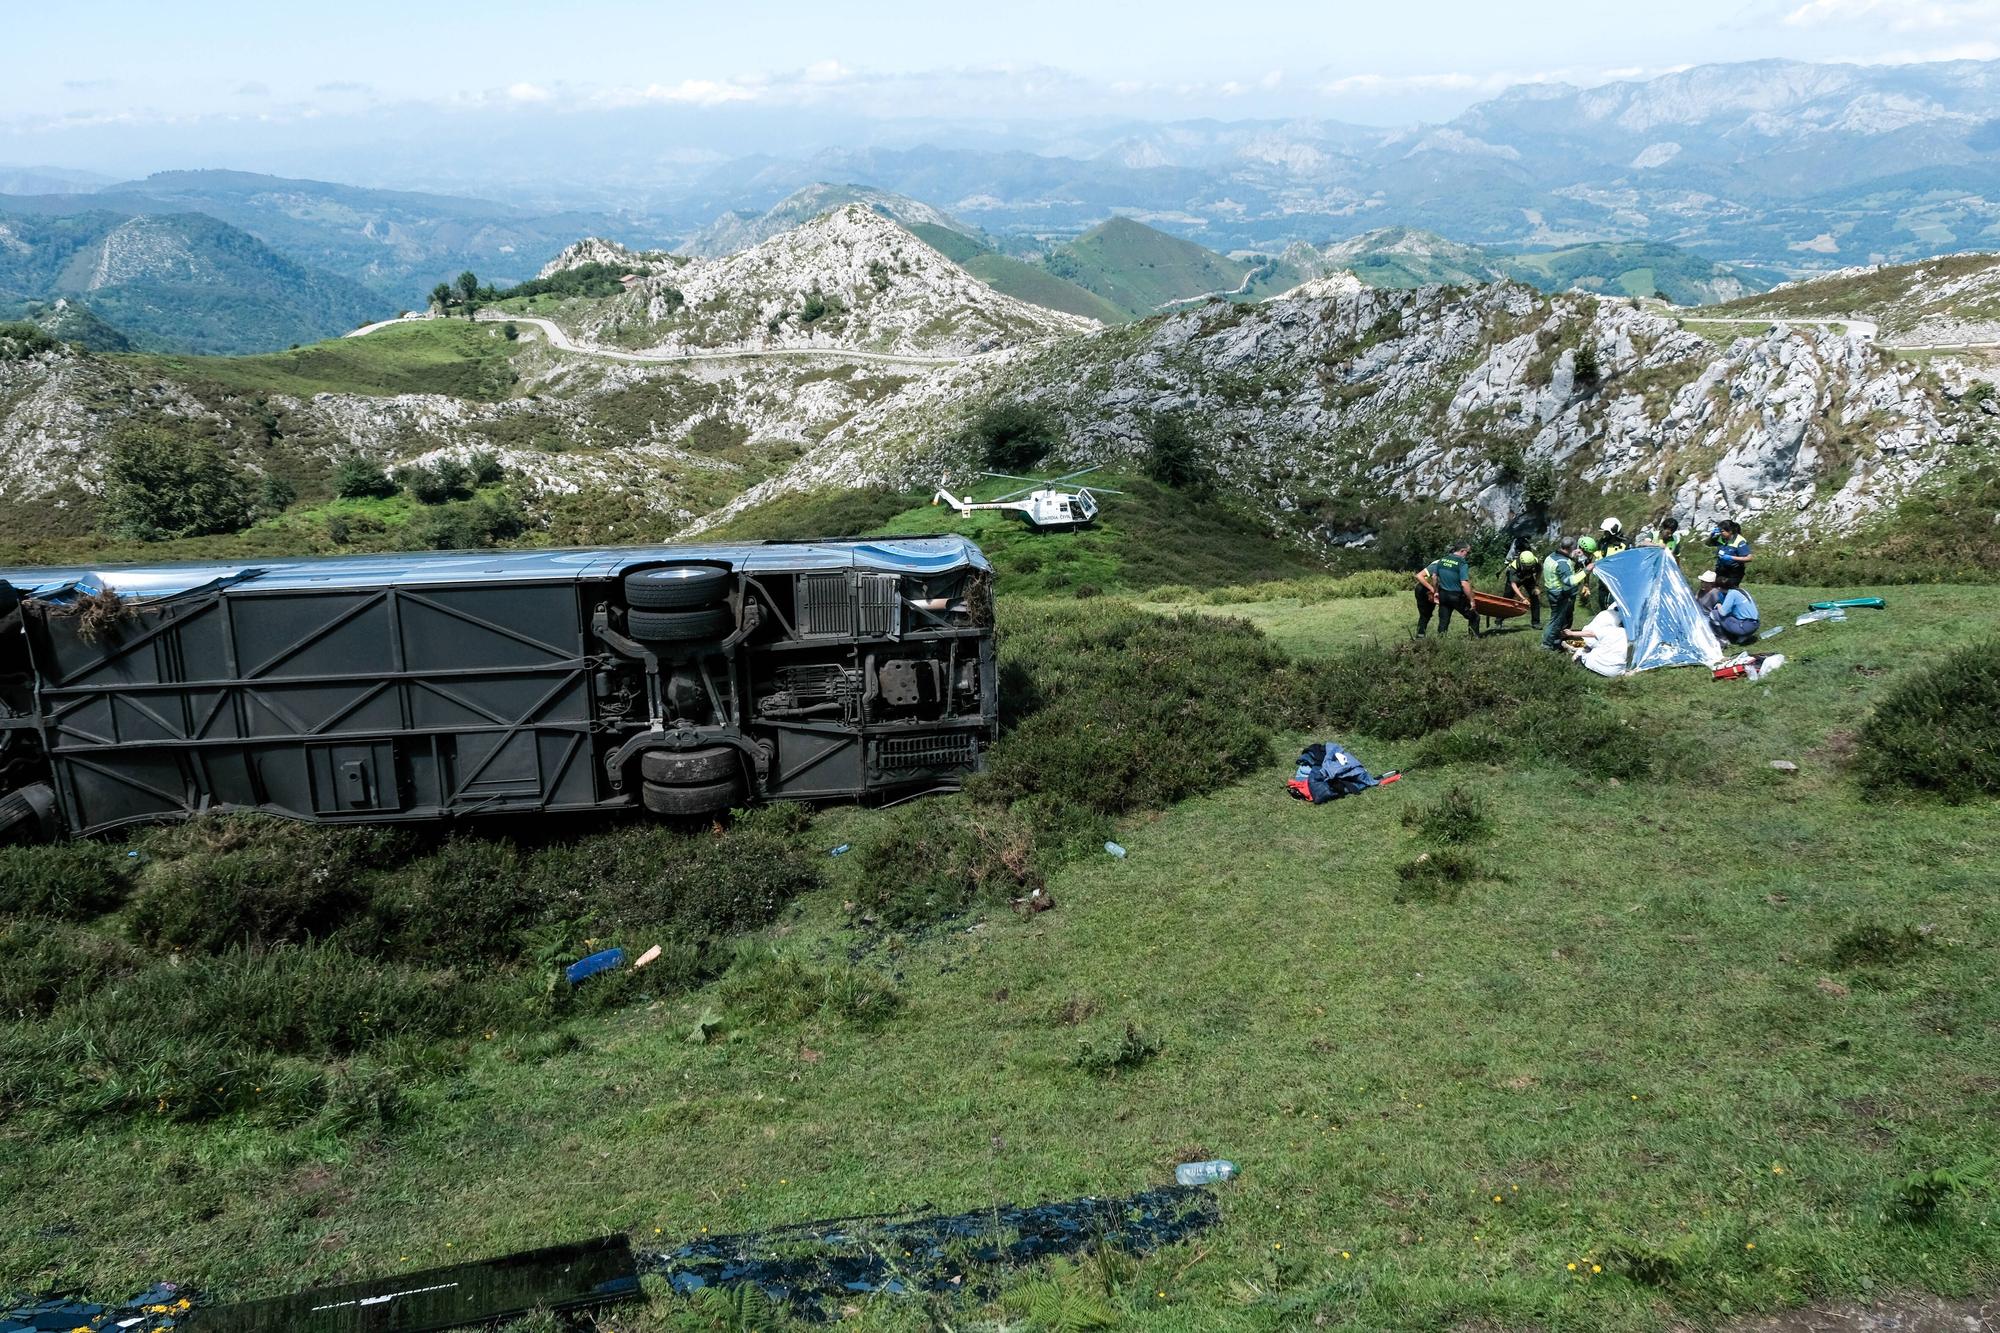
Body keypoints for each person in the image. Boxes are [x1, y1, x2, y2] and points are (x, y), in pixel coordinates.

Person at [1414, 541, 1481, 637]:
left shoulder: (1442, 561)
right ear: (1462, 551)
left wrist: (1436, 591)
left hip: (1443, 595)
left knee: (1443, 620)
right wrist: (1471, 600)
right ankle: (1474, 640)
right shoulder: (1461, 563)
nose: (1468, 555)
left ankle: (1440, 641)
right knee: (1474, 617)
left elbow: (1434, 577)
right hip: (1447, 594)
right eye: (1468, 552)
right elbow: (1464, 583)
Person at [1540, 538, 1587, 651]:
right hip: (1560, 594)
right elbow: (1569, 581)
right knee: (1556, 620)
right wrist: (1586, 571)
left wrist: (1575, 556)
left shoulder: (1551, 556)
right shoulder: (1562, 563)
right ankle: (1546, 645)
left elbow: (1566, 565)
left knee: (1560, 618)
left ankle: (1558, 641)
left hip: (1552, 591)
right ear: (1570, 548)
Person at [1560, 605, 1630, 677]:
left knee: (1590, 647)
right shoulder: (1629, 634)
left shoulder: (1606, 614)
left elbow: (1590, 633)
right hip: (1613, 672)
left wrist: (1571, 633)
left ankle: (1577, 648)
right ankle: (1577, 648)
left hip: (1591, 658)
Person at [1699, 571, 1760, 644]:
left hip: (1745, 625)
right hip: (1754, 624)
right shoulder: (1741, 591)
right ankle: (1743, 636)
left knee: (1714, 614)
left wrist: (1719, 605)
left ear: (1719, 587)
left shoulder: (1731, 594)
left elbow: (1722, 613)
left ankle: (1723, 639)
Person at [1500, 548, 1542, 628]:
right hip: (1514, 581)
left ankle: (1536, 623)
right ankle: (1498, 621)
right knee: (1506, 599)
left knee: (1535, 598)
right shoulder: (1514, 567)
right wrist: (1523, 598)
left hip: (1528, 578)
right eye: (1527, 567)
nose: (1529, 568)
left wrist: (1536, 585)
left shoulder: (1536, 562)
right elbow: (1513, 585)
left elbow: (1539, 571)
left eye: (1530, 566)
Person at [1708, 519, 1753, 590]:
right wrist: (1711, 535)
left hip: (1734, 571)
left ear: (1730, 531)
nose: (1720, 533)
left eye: (1722, 531)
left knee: (1729, 590)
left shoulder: (1740, 541)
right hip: (1721, 569)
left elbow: (1749, 558)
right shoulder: (1720, 538)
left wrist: (1731, 558)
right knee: (1717, 589)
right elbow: (1708, 544)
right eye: (1719, 531)